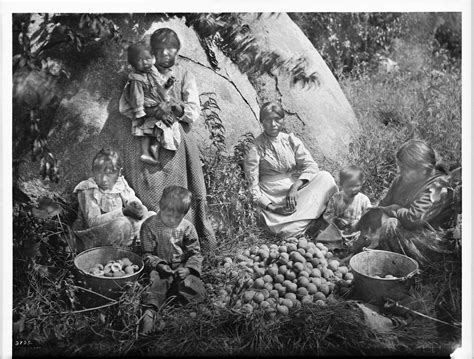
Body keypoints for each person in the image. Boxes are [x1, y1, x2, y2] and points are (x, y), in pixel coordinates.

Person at [121, 28, 216, 253]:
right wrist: (150, 110)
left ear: (177, 50)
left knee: (184, 193)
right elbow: (126, 107)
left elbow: (193, 111)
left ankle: (189, 245)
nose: (165, 53)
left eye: (170, 48)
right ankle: (152, 249)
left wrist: (175, 106)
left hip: (177, 142)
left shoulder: (184, 74)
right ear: (152, 52)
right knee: (149, 192)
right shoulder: (140, 74)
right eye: (159, 49)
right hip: (147, 139)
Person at [354, 139, 457, 264]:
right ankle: (361, 251)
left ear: (423, 168)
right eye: (400, 167)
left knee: (390, 226)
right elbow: (383, 206)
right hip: (406, 232)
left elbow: (413, 219)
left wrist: (395, 209)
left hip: (431, 242)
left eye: (405, 168)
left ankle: (389, 262)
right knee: (374, 215)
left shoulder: (439, 187)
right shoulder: (401, 180)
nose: (401, 172)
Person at [243, 101, 338, 237]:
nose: (274, 124)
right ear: (261, 121)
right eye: (268, 120)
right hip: (272, 195)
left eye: (277, 119)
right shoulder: (254, 147)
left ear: (283, 120)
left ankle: (316, 221)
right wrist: (273, 207)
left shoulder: (290, 140)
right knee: (286, 231)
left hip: (292, 192)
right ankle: (309, 223)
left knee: (326, 178)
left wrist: (295, 187)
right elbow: (252, 187)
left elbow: (311, 166)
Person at [139, 186, 205, 335]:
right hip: (160, 269)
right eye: (168, 214)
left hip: (181, 267)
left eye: (177, 217)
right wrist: (159, 265)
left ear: (184, 214)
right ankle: (149, 316)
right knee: (155, 286)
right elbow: (147, 254)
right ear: (161, 207)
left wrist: (188, 269)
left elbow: (195, 253)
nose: (172, 219)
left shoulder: (187, 227)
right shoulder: (149, 226)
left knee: (192, 285)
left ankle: (189, 310)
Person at [72, 148, 155, 252]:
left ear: (119, 172)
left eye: (109, 173)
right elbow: (92, 222)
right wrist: (124, 211)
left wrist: (135, 205)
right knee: (122, 224)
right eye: (98, 173)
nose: (103, 179)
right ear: (93, 170)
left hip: (119, 226)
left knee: (152, 216)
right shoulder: (88, 189)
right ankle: (115, 253)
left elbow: (130, 197)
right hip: (95, 234)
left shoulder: (119, 183)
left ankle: (140, 249)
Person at [119, 42, 181, 166]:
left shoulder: (152, 71)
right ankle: (145, 152)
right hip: (147, 107)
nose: (145, 62)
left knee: (155, 130)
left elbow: (160, 85)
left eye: (148, 58)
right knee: (146, 131)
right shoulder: (136, 79)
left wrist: (167, 85)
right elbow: (137, 99)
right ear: (133, 63)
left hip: (156, 103)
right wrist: (141, 113)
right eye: (140, 60)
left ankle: (153, 149)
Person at [323, 165, 371, 234]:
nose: (353, 189)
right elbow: (327, 215)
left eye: (357, 186)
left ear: (361, 184)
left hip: (356, 233)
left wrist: (358, 224)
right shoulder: (336, 198)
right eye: (349, 186)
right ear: (341, 185)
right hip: (336, 232)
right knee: (323, 239)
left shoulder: (364, 200)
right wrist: (336, 221)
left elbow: (369, 218)